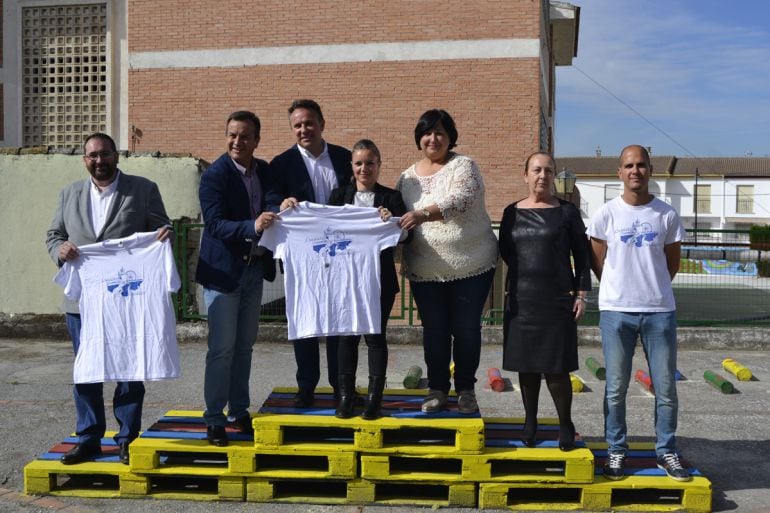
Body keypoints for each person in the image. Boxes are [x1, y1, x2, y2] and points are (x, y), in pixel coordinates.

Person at [46, 132, 172, 465]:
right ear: (84, 160)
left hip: (126, 300)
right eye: (92, 156)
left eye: (104, 154)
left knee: (129, 369)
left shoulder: (143, 189)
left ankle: (128, 438)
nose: (99, 161)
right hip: (81, 302)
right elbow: (54, 235)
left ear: (116, 155)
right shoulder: (69, 194)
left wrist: (164, 236)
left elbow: (162, 229)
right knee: (86, 370)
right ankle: (88, 438)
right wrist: (59, 250)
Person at [587, 144, 690, 481]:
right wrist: (621, 290)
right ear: (619, 172)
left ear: (650, 171)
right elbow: (598, 262)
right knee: (615, 388)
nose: (635, 171)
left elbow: (670, 264)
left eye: (641, 165)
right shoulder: (605, 214)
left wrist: (650, 288)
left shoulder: (666, 215)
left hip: (659, 312)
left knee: (665, 387)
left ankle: (666, 451)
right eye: (629, 165)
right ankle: (616, 449)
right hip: (616, 312)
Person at [396, 109, 498, 414]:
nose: (433, 138)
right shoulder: (406, 177)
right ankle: (437, 388)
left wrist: (421, 213)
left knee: (466, 329)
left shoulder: (464, 166)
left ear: (450, 137)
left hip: (471, 264)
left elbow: (461, 200)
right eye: (427, 132)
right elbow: (396, 215)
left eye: (440, 132)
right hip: (425, 269)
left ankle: (466, 389)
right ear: (419, 138)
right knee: (435, 331)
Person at [498, 152, 591, 451]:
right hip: (522, 301)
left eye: (548, 171)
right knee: (526, 367)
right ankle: (530, 422)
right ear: (525, 175)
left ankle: (565, 423)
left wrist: (581, 294)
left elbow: (582, 254)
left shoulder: (567, 212)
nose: (542, 175)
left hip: (557, 300)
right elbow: (506, 252)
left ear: (553, 176)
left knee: (557, 368)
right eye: (536, 170)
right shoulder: (511, 212)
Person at [196, 111, 278, 447]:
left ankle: (238, 411)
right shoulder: (214, 176)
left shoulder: (266, 170)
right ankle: (214, 418)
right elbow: (214, 224)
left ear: (257, 140)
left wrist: (279, 205)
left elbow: (273, 199)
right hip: (223, 274)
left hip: (255, 269)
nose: (237, 142)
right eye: (232, 135)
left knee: (244, 346)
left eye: (244, 136)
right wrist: (252, 225)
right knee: (221, 349)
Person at [268, 99, 353, 407]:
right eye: (298, 125)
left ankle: (341, 384)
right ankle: (306, 386)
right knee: (305, 321)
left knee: (340, 322)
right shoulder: (281, 163)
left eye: (309, 123)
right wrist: (281, 203)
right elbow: (270, 196)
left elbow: (361, 195)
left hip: (343, 256)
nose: (304, 129)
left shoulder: (345, 158)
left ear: (322, 124)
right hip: (303, 258)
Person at [328, 139, 409, 420]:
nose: (365, 168)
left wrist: (392, 222)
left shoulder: (391, 197)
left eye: (370, 163)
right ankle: (345, 398)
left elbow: (405, 236)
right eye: (359, 163)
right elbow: (326, 230)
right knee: (347, 338)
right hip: (345, 281)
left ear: (379, 165)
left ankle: (375, 400)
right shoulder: (338, 197)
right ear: (352, 166)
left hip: (380, 281)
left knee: (375, 338)